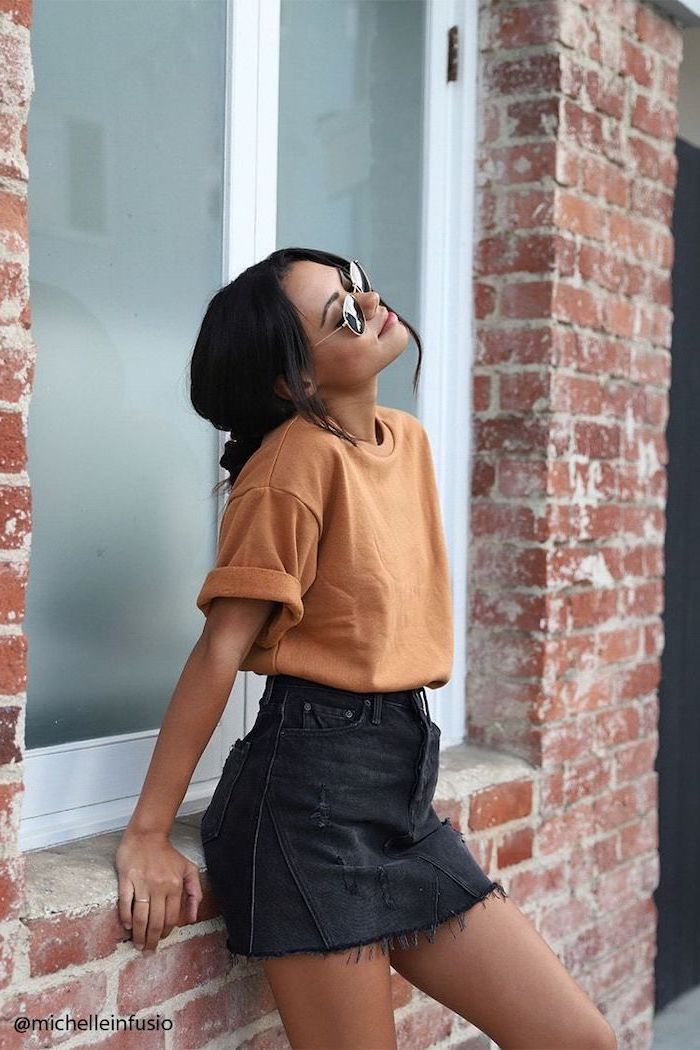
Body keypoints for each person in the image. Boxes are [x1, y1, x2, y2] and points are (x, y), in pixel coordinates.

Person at [115, 249, 617, 1050]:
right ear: (295, 384)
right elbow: (220, 650)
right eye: (342, 312)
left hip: (399, 787)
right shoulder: (290, 469)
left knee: (577, 1039)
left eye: (356, 282)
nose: (371, 301)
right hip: (308, 803)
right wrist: (146, 831)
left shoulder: (404, 439)